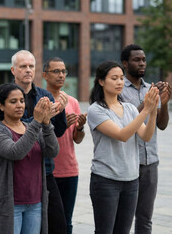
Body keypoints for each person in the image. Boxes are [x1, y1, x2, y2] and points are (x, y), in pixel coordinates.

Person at [0, 50, 67, 233]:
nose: (28, 70)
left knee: (59, 224)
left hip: (43, 168)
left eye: (31, 66)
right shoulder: (3, 95)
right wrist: (39, 119)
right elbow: (8, 129)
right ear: (13, 70)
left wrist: (58, 113)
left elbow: (56, 132)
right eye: (23, 66)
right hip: (15, 172)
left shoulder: (45, 95)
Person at [88, 61, 158, 234]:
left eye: (121, 78)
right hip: (106, 180)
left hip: (131, 180)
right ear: (101, 81)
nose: (119, 82)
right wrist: (145, 110)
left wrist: (153, 110)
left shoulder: (129, 108)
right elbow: (122, 135)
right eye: (114, 78)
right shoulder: (95, 110)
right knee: (105, 230)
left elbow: (146, 136)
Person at [0, 83, 59, 234]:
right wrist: (37, 122)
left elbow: (53, 151)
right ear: (1, 106)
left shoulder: (30, 127)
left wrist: (46, 124)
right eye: (13, 102)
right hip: (10, 203)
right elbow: (16, 153)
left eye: (21, 100)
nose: (19, 105)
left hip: (35, 202)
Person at [120, 44, 171, 234]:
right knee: (123, 218)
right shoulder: (119, 89)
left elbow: (162, 125)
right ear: (125, 63)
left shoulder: (150, 88)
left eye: (143, 59)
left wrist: (163, 105)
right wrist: (148, 102)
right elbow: (126, 121)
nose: (142, 63)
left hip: (150, 162)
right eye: (136, 60)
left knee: (145, 218)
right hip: (128, 161)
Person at [42, 57, 86, 234]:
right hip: (47, 170)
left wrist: (80, 127)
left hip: (70, 169)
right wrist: (61, 124)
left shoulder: (73, 102)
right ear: (45, 75)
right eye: (56, 71)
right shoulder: (42, 100)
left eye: (64, 71)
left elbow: (77, 139)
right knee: (48, 222)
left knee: (67, 221)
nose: (61, 75)